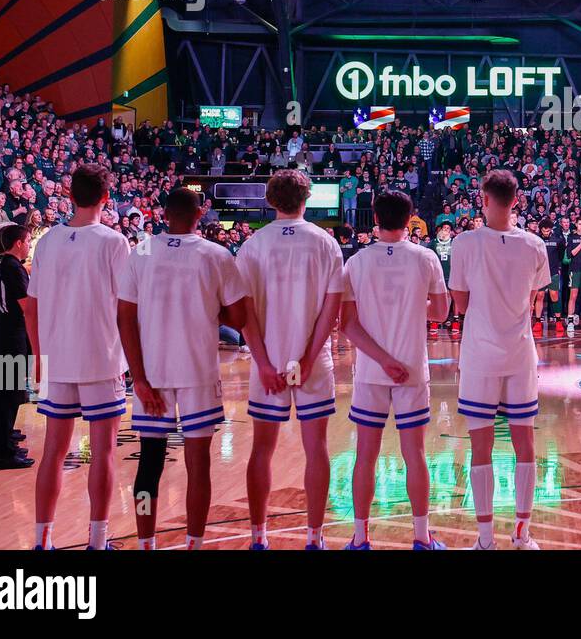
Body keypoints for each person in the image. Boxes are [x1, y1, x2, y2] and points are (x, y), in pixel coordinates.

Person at [115, 188, 249, 550]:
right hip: (198, 372)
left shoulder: (141, 251)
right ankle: (195, 542)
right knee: (198, 465)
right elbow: (239, 318)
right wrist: (211, 310)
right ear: (200, 213)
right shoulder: (217, 254)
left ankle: (145, 541)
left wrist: (138, 378)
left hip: (152, 374)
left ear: (163, 213)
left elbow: (124, 318)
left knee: (149, 464)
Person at [25, 164, 131, 550]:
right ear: (106, 197)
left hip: (59, 358)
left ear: (71, 195)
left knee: (52, 453)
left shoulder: (47, 241)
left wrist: (39, 358)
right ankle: (97, 542)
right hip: (100, 359)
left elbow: (31, 308)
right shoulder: (114, 241)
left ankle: (42, 540)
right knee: (102, 453)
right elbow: (127, 308)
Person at [237, 169, 344, 550]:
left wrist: (264, 363)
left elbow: (243, 313)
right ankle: (314, 539)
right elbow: (332, 311)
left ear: (269, 200)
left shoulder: (252, 245)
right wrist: (310, 358)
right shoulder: (326, 243)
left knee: (261, 451)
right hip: (314, 361)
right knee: (317, 449)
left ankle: (258, 537)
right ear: (307, 198)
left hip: (267, 360)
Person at [340, 190, 449, 550]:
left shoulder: (356, 263)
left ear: (374, 216)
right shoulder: (425, 257)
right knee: (414, 453)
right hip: (412, 367)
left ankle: (360, 537)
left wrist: (382, 359)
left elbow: (349, 325)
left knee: (365, 456)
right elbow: (441, 314)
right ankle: (421, 537)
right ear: (411, 218)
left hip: (372, 371)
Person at [449, 169, 550, 550]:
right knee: (525, 443)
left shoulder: (464, 243)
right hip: (521, 351)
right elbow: (534, 296)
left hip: (479, 354)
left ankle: (486, 538)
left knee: (481, 448)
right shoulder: (534, 245)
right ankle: (522, 533)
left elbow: (459, 303)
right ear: (517, 199)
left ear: (484, 198)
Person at [0, 223, 33, 469]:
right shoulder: (12, 267)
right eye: (28, 241)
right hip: (11, 335)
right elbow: (26, 307)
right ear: (18, 243)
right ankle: (2, 452)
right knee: (8, 394)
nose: (30, 245)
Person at [535, 218, 564, 331]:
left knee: (554, 295)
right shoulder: (536, 240)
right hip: (540, 273)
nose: (546, 232)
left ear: (551, 230)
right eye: (544, 230)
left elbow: (561, 255)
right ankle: (538, 322)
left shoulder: (557, 240)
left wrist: (558, 267)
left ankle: (558, 321)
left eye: (548, 231)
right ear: (541, 230)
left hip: (553, 272)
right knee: (540, 296)